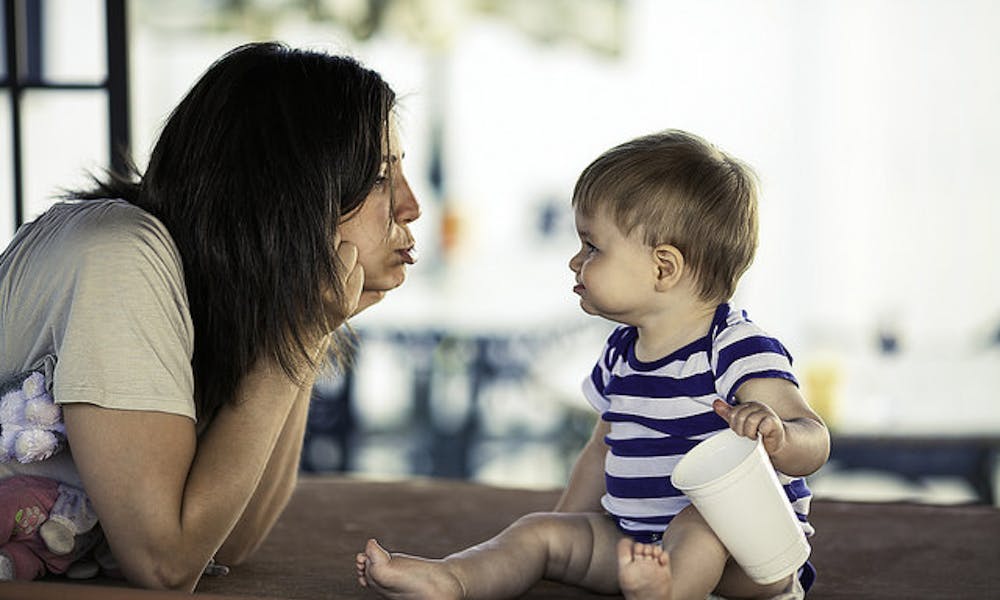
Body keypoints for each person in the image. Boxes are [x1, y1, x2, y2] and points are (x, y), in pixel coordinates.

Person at [0, 41, 420, 589]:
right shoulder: (119, 257)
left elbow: (230, 539)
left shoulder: (200, 289)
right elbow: (167, 563)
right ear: (289, 193)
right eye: (379, 176)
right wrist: (293, 335)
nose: (411, 205)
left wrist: (306, 335)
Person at [355, 130, 829, 600]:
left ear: (663, 268)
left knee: (702, 519)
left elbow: (814, 436)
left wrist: (781, 437)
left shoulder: (733, 347)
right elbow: (601, 452)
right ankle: (453, 579)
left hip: (751, 557)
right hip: (636, 544)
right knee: (537, 531)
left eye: (592, 247)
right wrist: (565, 527)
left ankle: (670, 591)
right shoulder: (622, 352)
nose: (574, 261)